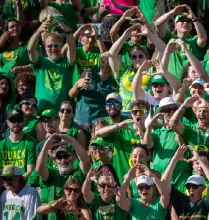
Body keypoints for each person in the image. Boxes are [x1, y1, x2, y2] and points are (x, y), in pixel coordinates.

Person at [108, 23, 166, 113]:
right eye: (134, 57)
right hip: (125, 112)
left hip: (146, 112)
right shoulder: (124, 70)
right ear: (131, 60)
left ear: (147, 58)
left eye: (140, 56)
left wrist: (149, 34)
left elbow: (164, 49)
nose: (137, 58)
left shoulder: (153, 69)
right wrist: (125, 36)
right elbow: (111, 55)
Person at [96, 97, 150, 183]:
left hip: (142, 181)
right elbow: (98, 133)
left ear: (147, 114)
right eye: (134, 112)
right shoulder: (122, 130)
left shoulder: (150, 133)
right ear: (131, 114)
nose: (137, 115)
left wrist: (141, 134)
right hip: (121, 179)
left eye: (141, 112)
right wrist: (118, 125)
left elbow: (148, 148)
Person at [144, 97, 191, 192]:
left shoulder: (183, 128)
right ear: (161, 114)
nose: (171, 112)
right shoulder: (157, 131)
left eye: (174, 109)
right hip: (161, 181)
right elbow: (146, 147)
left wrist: (174, 126)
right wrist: (149, 127)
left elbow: (184, 150)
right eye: (166, 110)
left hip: (179, 181)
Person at [27, 20, 76, 113]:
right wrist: (38, 31)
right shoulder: (40, 62)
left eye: (56, 45)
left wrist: (68, 32)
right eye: (49, 46)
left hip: (62, 114)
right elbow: (30, 49)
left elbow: (72, 49)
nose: (53, 48)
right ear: (45, 47)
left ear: (61, 46)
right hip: (41, 113)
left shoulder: (67, 62)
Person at [155, 4, 207, 80]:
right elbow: (158, 24)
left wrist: (194, 18)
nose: (185, 23)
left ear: (192, 26)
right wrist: (173, 12)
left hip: (193, 84)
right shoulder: (170, 38)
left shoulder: (194, 40)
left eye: (188, 21)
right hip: (173, 85)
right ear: (175, 25)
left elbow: (203, 39)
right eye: (182, 20)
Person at [69, 53, 117, 136]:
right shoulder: (88, 73)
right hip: (80, 120)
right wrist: (77, 86)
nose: (105, 65)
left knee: (95, 148)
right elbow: (71, 95)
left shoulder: (114, 83)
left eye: (108, 62)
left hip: (98, 124)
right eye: (103, 62)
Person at [36, 133, 90, 205]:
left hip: (78, 215)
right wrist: (45, 147)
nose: (63, 160)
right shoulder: (52, 175)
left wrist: (71, 140)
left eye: (66, 156)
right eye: (59, 158)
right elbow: (39, 169)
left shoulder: (79, 173)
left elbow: (86, 161)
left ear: (73, 157)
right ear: (55, 161)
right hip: (56, 215)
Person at [162, 145, 209, 219]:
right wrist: (174, 159)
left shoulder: (205, 203)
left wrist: (199, 160)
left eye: (194, 186)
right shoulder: (182, 201)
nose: (191, 189)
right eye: (188, 186)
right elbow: (164, 183)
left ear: (203, 188)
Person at [0, 109, 36, 181]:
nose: (16, 123)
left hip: (23, 183)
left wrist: (17, 183)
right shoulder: (1, 144)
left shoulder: (31, 142)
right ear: (7, 123)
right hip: (5, 182)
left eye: (19, 120)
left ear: (24, 121)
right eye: (13, 120)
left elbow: (29, 171)